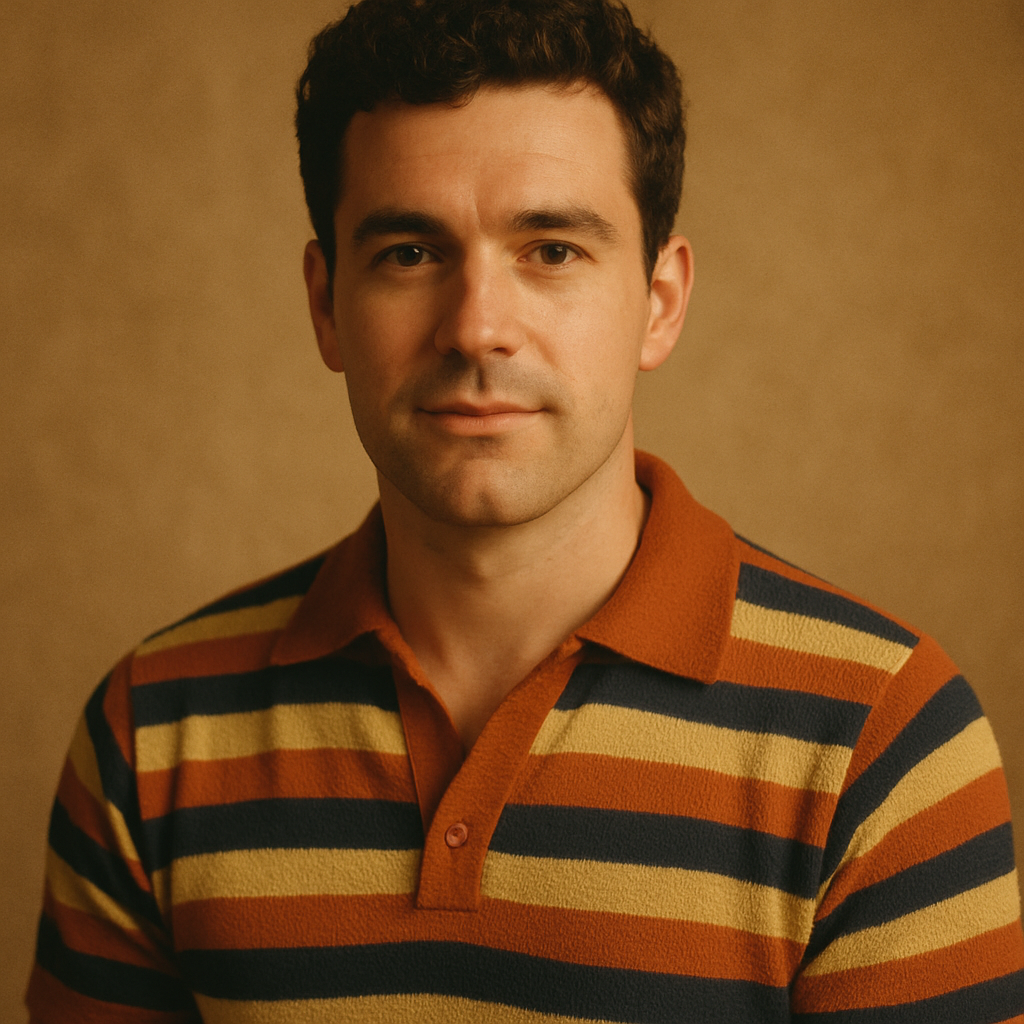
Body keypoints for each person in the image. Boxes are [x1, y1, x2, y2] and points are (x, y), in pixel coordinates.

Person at [25, 0, 1024, 1020]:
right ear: (326, 304)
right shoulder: (150, 733)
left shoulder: (885, 742)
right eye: (409, 253)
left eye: (550, 249)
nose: (476, 328)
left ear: (659, 301)